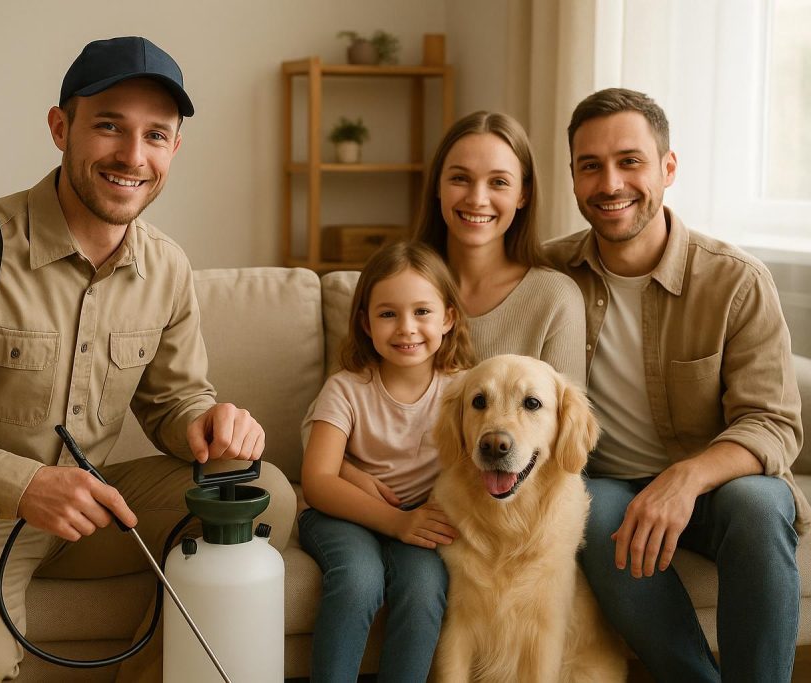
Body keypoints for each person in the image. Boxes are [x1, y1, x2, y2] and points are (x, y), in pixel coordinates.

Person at [0, 36, 295, 682]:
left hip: (91, 512)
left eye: (155, 135)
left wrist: (207, 421)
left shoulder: (166, 266)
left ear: (175, 148)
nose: (132, 156)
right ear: (61, 128)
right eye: (109, 126)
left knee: (265, 494)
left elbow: (174, 401)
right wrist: (21, 485)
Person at [546, 87, 807, 682]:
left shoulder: (735, 281)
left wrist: (684, 479)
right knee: (590, 507)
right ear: (573, 177)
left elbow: (773, 421)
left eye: (629, 161)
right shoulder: (549, 275)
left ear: (668, 167)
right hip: (609, 481)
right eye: (591, 166)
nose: (610, 183)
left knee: (762, 503)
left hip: (716, 487)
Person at [299, 241, 473, 683]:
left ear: (449, 318)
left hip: (419, 521)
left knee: (424, 588)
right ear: (365, 322)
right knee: (359, 581)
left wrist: (414, 523)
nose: (406, 328)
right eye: (388, 313)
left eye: (422, 312)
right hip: (342, 514)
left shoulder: (463, 392)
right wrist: (395, 523)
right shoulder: (347, 388)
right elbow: (318, 479)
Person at [413, 110, 586, 386]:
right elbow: (341, 401)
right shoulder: (395, 284)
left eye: (499, 182)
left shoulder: (555, 299)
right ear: (437, 185)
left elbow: (566, 425)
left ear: (523, 194)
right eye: (460, 178)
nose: (477, 199)